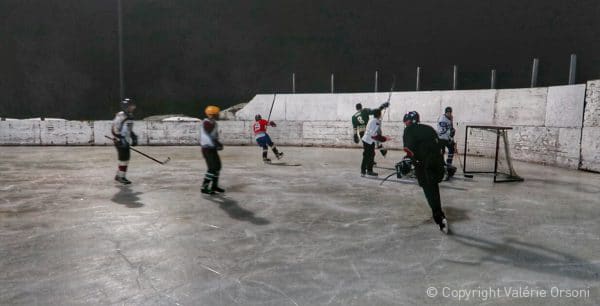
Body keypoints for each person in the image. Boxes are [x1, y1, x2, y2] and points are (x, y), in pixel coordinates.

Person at [402, 111, 449, 234]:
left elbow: (408, 149)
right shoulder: (428, 128)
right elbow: (439, 145)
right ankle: (438, 213)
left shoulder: (408, 130)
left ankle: (439, 217)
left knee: (429, 189)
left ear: (410, 121)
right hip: (438, 164)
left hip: (424, 165)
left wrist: (408, 160)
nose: (405, 123)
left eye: (406, 121)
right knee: (433, 187)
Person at [111, 98, 138, 185]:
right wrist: (121, 139)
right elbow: (114, 129)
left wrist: (133, 136)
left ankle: (119, 175)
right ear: (126, 107)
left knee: (125, 158)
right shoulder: (120, 116)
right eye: (131, 106)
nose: (133, 107)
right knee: (124, 158)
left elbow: (128, 129)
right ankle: (121, 177)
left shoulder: (130, 115)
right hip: (119, 141)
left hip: (125, 140)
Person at [200, 105, 225, 194]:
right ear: (212, 114)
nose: (218, 115)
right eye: (216, 114)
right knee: (212, 168)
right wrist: (218, 144)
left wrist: (218, 144)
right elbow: (210, 134)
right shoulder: (206, 122)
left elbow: (214, 136)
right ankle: (204, 187)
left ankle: (214, 186)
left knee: (217, 167)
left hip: (212, 148)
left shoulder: (214, 123)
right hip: (207, 149)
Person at [361, 109, 388, 176]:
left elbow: (374, 132)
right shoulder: (376, 121)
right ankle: (365, 171)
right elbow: (373, 134)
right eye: (380, 114)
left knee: (371, 155)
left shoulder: (373, 120)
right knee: (367, 156)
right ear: (379, 115)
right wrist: (383, 138)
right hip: (368, 141)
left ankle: (367, 170)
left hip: (368, 140)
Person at [438, 106, 457, 179]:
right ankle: (441, 165)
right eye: (447, 112)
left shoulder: (451, 117)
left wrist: (452, 131)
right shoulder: (442, 119)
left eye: (450, 112)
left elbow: (450, 127)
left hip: (448, 138)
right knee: (441, 151)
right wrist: (450, 133)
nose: (449, 114)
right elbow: (442, 130)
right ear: (445, 112)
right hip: (441, 138)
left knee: (451, 149)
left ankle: (449, 163)